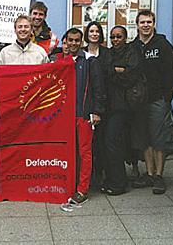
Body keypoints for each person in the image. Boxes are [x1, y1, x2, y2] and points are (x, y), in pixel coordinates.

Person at [131, 10, 173, 194]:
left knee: (159, 139)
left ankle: (159, 175)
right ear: (137, 25)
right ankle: (149, 173)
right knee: (144, 138)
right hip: (139, 102)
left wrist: (167, 97)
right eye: (142, 22)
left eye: (149, 22)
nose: (145, 25)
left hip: (158, 99)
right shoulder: (133, 46)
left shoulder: (162, 45)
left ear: (153, 24)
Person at [61, 28, 106, 210]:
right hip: (64, 117)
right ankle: (69, 185)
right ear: (65, 41)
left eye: (76, 40)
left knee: (84, 152)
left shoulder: (90, 60)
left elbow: (99, 88)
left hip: (84, 114)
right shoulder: (60, 61)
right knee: (68, 152)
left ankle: (83, 190)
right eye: (70, 40)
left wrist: (97, 111)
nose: (73, 43)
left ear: (81, 41)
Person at [101, 25, 142, 195]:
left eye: (119, 37)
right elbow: (105, 71)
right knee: (108, 143)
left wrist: (114, 71)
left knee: (113, 142)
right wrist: (118, 70)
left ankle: (119, 183)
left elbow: (131, 76)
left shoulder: (132, 52)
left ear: (125, 37)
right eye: (113, 37)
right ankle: (111, 179)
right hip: (108, 105)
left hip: (123, 106)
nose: (116, 40)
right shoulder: (108, 53)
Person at [83, 21, 109, 187]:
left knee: (101, 141)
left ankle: (100, 173)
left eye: (97, 31)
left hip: (103, 100)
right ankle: (88, 174)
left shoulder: (106, 53)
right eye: (91, 31)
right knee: (87, 143)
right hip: (86, 101)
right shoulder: (81, 53)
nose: (94, 34)